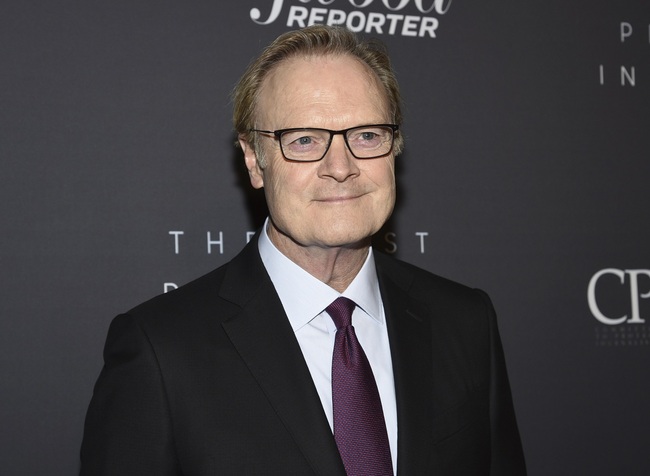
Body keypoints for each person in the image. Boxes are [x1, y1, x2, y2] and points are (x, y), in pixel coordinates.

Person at [80, 25, 526, 475]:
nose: (341, 167)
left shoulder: (465, 322)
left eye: (367, 135)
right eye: (304, 140)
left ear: (395, 149)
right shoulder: (161, 351)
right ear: (255, 160)